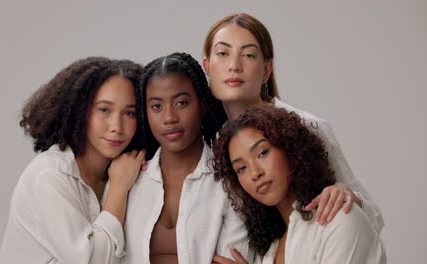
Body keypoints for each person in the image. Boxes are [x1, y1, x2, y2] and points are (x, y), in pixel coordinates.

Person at [202, 13, 384, 232]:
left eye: (249, 55)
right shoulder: (209, 142)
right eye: (222, 53)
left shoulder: (305, 128)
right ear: (207, 67)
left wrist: (348, 196)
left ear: (266, 70)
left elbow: (374, 219)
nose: (234, 65)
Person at [0, 57, 145, 264]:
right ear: (79, 111)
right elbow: (93, 261)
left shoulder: (127, 170)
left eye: (129, 113)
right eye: (104, 110)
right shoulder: (49, 176)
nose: (117, 127)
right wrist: (119, 188)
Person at [121, 52, 252, 264]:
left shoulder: (231, 183)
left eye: (181, 103)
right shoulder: (127, 178)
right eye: (156, 106)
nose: (169, 118)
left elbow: (233, 259)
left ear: (201, 104)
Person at [212, 105, 386, 264]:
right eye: (241, 168)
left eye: (263, 153)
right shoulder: (268, 252)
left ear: (289, 147)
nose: (255, 173)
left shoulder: (340, 220)